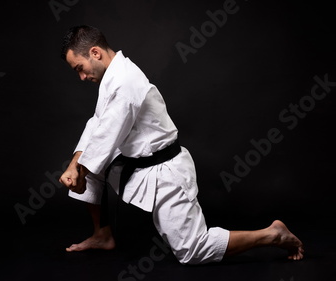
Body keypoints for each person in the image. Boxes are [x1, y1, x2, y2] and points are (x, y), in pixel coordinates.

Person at [58, 25, 304, 264]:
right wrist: (74, 165)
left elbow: (106, 138)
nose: (81, 76)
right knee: (88, 164)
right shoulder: (112, 75)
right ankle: (102, 235)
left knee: (192, 251)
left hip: (166, 174)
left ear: (95, 53)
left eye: (79, 68)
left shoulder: (124, 82)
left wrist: (79, 172)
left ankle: (272, 234)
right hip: (136, 163)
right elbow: (97, 123)